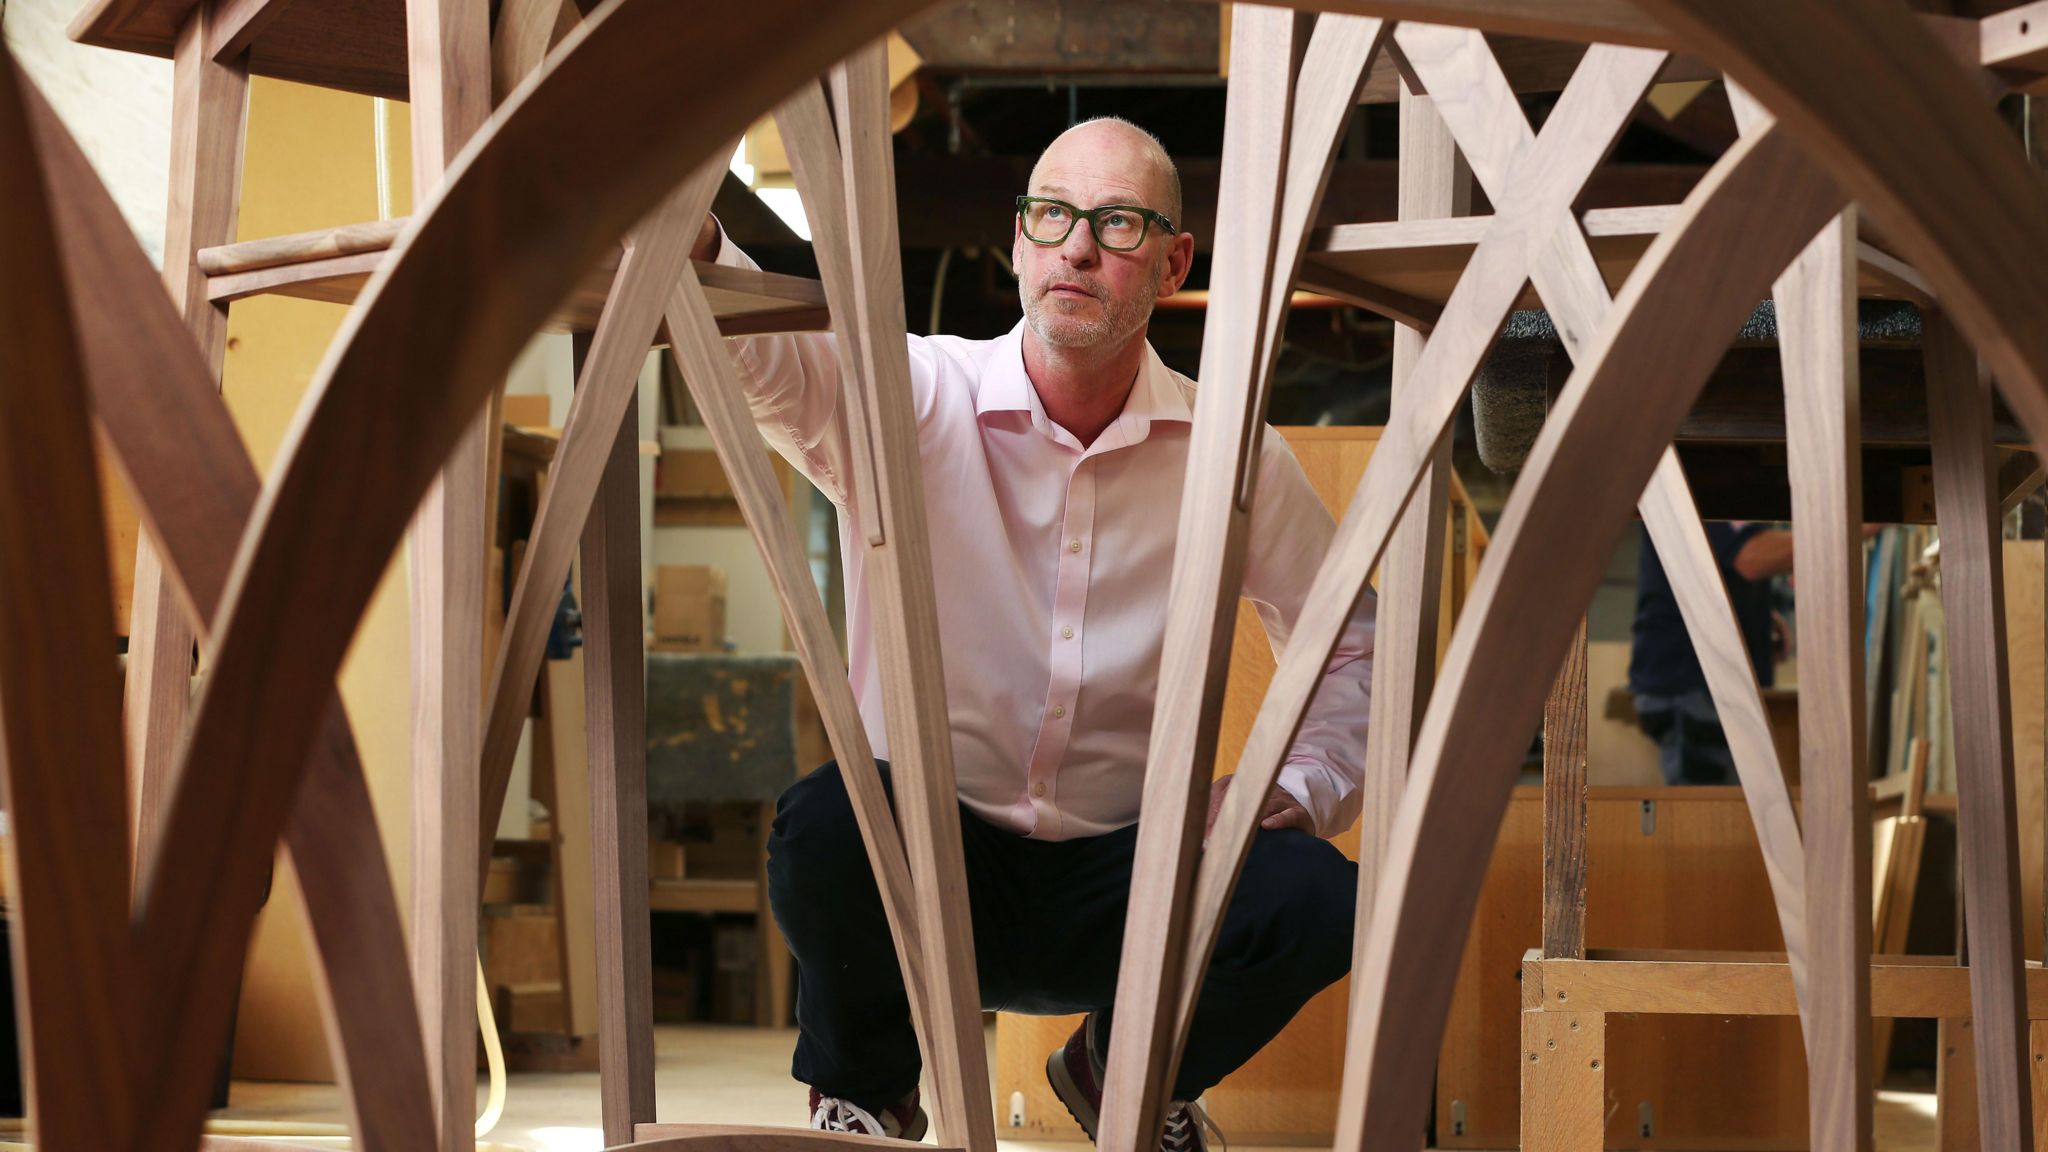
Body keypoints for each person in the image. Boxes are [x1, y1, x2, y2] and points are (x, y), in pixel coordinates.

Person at [693, 117, 1374, 1152]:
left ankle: (1123, 1076)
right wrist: (691, 246)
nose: (1077, 246)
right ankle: (864, 1100)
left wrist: (1294, 784)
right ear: (1016, 241)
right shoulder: (913, 397)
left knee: (1315, 897)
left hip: (1125, 875)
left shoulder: (1230, 455)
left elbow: (1350, 641)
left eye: (1116, 222)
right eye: (1051, 215)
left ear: (1170, 260)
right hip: (931, 862)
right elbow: (772, 363)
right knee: (826, 822)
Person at [1627, 522, 1791, 784]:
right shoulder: (1702, 485)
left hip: (1706, 681)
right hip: (1692, 682)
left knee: (1727, 810)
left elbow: (1716, 564)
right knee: (1711, 811)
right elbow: (1749, 557)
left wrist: (1757, 615)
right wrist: (1850, 526)